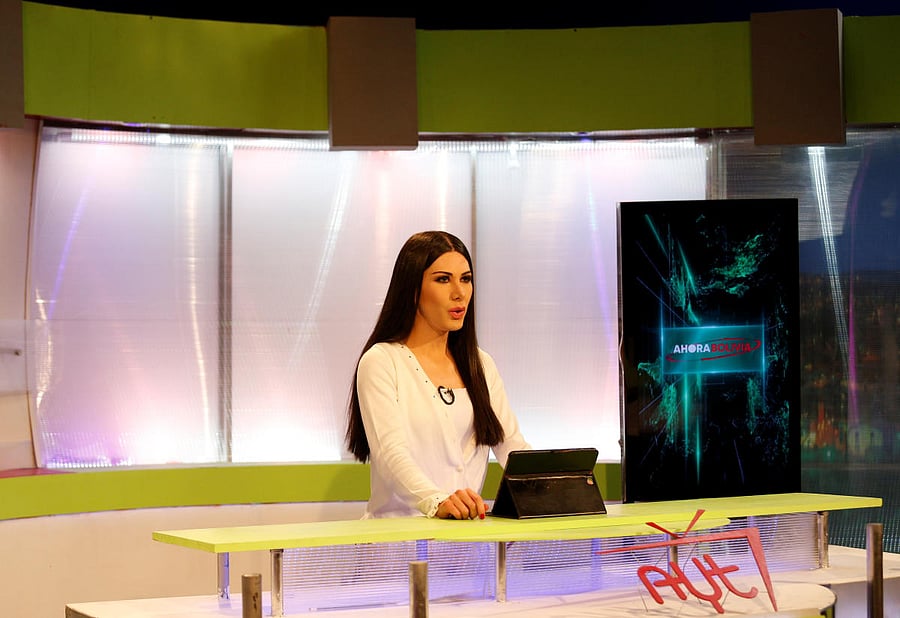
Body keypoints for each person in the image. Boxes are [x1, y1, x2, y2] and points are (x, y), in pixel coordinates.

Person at [346, 231, 530, 519]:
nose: (459, 292)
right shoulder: (381, 361)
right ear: (413, 289)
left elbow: (513, 449)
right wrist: (436, 501)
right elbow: (391, 455)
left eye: (466, 279)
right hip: (398, 547)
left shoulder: (481, 364)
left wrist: (552, 488)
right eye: (443, 279)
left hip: (466, 549)